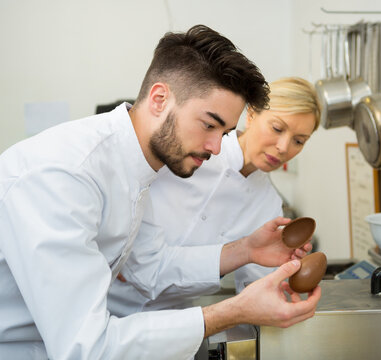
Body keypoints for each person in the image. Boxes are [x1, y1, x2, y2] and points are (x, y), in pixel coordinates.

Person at [0, 25, 321, 359]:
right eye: (209, 125)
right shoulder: (66, 174)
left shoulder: (137, 168)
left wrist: (247, 250)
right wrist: (232, 312)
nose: (217, 148)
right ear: (159, 99)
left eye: (223, 133)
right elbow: (86, 349)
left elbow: (148, 267)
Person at [107, 77, 321, 317]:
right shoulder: (191, 152)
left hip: (172, 321)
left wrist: (281, 283)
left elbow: (254, 287)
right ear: (251, 114)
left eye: (299, 141)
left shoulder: (269, 205)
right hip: (106, 303)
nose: (284, 147)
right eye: (277, 128)